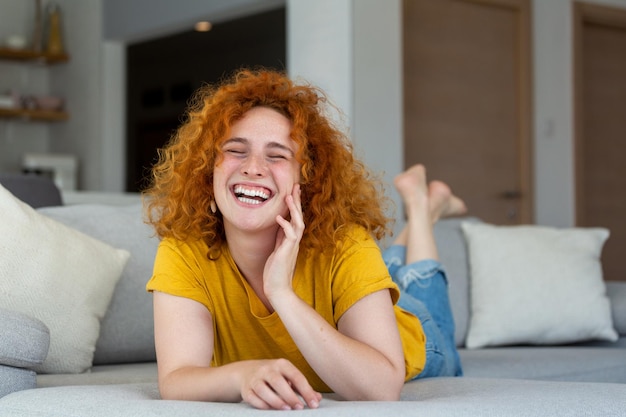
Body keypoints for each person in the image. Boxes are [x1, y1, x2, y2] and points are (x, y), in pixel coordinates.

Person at [144, 68, 465, 411]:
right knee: (388, 271)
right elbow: (177, 378)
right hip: (356, 295)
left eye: (277, 155)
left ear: (307, 179)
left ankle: (420, 210)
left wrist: (281, 293)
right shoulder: (183, 251)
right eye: (236, 150)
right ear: (209, 173)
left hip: (417, 336)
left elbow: (383, 387)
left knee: (422, 286)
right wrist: (242, 375)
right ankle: (426, 210)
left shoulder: (347, 244)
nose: (253, 167)